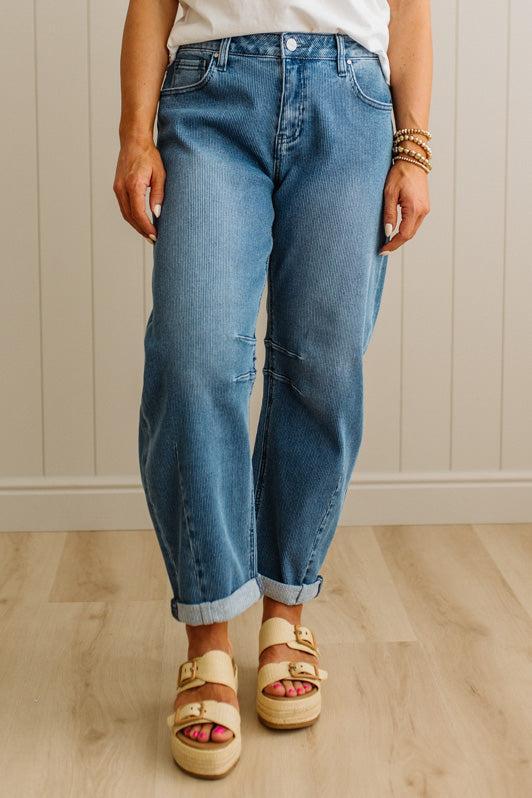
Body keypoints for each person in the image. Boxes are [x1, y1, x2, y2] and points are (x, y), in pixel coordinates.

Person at [114, 0, 432, 779]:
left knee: (322, 365)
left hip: (351, 100)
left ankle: (286, 616)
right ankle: (209, 637)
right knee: (193, 355)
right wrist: (134, 136)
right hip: (211, 95)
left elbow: (411, 10)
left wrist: (414, 148)